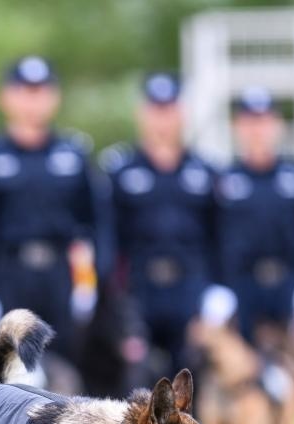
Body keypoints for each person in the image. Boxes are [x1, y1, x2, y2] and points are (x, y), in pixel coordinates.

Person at [0, 56, 103, 363]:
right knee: (7, 375)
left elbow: (94, 224)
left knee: (63, 374)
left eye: (41, 91)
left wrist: (90, 282)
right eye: (23, 91)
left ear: (55, 97)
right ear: (4, 97)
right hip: (7, 274)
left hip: (58, 276)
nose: (32, 100)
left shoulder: (73, 153)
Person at [99, 73, 218, 386]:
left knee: (191, 388)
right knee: (138, 392)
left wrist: (213, 294)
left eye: (169, 110)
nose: (162, 120)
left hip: (189, 290)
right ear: (142, 114)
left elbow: (216, 238)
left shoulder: (204, 172)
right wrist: (116, 304)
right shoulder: (120, 169)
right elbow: (109, 239)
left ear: (182, 114)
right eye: (155, 110)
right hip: (139, 291)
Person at [214, 87, 294, 350]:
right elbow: (213, 237)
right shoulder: (225, 181)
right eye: (250, 121)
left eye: (263, 121)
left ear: (277, 125)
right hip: (240, 284)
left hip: (288, 283)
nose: (257, 130)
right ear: (237, 126)